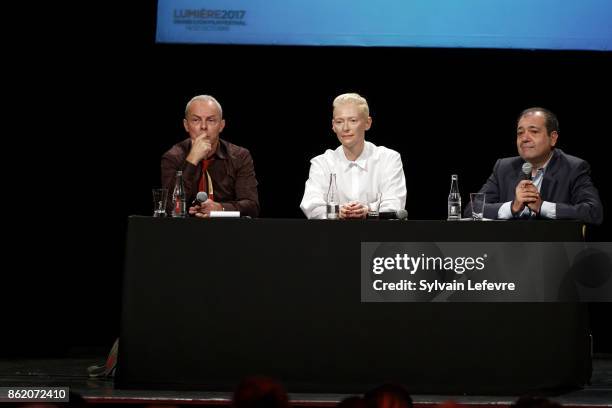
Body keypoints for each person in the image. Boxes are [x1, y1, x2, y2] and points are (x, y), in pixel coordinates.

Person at [466, 107, 603, 224]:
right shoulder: (503, 167)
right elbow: (471, 209)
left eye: (534, 131)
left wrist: (541, 206)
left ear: (553, 138)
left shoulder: (574, 167)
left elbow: (593, 212)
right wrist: (513, 207)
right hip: (509, 248)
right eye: (520, 133)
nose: (524, 138)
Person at [300, 93, 407, 219]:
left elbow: (394, 205)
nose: (345, 128)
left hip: (376, 236)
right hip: (334, 236)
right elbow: (312, 206)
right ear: (333, 126)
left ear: (367, 123)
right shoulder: (322, 163)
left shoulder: (389, 159)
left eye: (353, 121)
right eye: (339, 122)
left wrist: (368, 212)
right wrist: (338, 212)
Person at [161, 95, 259, 218]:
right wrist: (191, 160)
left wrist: (220, 208)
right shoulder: (172, 157)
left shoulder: (240, 156)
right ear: (186, 125)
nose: (203, 127)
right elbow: (169, 208)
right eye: (196, 120)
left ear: (221, 125)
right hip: (184, 231)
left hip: (228, 231)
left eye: (211, 120)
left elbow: (252, 207)